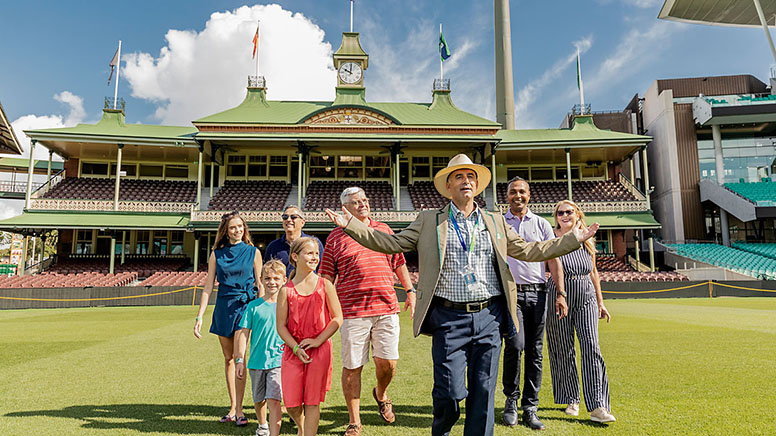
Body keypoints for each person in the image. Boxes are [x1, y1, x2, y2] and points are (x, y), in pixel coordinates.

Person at [325, 154, 598, 436]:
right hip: (448, 318)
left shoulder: (494, 221)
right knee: (449, 394)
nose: (466, 181)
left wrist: (572, 240)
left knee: (483, 392)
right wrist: (352, 226)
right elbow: (391, 242)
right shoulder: (429, 220)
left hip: (489, 317)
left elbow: (531, 251)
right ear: (448, 186)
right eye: (459, 176)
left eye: (470, 177)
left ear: (477, 186)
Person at [319, 187, 415, 436]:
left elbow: (399, 263)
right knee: (352, 366)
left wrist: (410, 291)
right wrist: (328, 307)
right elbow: (327, 277)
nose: (362, 204)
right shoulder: (335, 238)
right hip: (352, 311)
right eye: (355, 202)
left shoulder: (383, 229)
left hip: (386, 307)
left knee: (388, 364)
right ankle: (354, 420)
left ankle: (381, 393)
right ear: (345, 207)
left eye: (364, 200)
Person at [500, 177, 566, 430]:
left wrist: (560, 293)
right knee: (515, 346)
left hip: (539, 293)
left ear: (529, 195)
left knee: (536, 352)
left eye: (522, 192)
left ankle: (531, 407)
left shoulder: (541, 224)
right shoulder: (500, 223)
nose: (518, 195)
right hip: (512, 294)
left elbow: (553, 259)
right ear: (507, 196)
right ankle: (511, 402)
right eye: (513, 192)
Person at [545, 200, 615, 424]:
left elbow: (594, 271)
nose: (564, 215)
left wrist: (600, 302)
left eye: (569, 211)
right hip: (559, 294)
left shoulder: (587, 239)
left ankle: (597, 405)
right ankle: (571, 398)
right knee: (563, 347)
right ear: (555, 217)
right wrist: (560, 294)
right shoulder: (552, 237)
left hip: (585, 293)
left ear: (577, 215)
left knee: (591, 347)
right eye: (560, 212)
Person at [194, 211, 263, 427]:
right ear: (226, 230)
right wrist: (199, 317)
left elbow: (260, 284)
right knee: (228, 359)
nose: (237, 230)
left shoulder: (253, 252)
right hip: (223, 307)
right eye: (233, 227)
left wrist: (261, 311)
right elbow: (207, 288)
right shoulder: (217, 254)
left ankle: (241, 410)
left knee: (240, 356)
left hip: (245, 307)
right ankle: (233, 407)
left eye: (240, 226)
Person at [276, 237, 344, 436]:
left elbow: (337, 318)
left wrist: (317, 341)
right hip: (293, 351)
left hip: (319, 351)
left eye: (316, 253)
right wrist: (296, 348)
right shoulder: (285, 291)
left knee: (312, 402)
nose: (315, 257)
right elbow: (281, 326)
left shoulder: (325, 285)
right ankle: (302, 428)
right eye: (309, 253)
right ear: (295, 256)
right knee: (291, 404)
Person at [235, 259, 287, 436]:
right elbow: (243, 334)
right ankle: (262, 425)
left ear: (284, 280)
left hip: (279, 362)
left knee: (274, 399)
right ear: (261, 280)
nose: (272, 282)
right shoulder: (253, 306)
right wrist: (240, 359)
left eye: (276, 278)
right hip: (256, 361)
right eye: (267, 278)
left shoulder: (288, 305)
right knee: (259, 400)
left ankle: (274, 433)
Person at [264, 205, 325, 277]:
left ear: (302, 222)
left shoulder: (314, 243)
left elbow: (322, 269)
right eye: (285, 217)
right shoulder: (273, 246)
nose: (289, 220)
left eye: (293, 217)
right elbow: (266, 272)